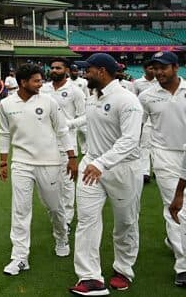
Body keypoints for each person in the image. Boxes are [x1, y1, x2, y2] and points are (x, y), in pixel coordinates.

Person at [68, 53, 143, 295]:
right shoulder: (93, 97)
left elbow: (131, 140)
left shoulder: (127, 100)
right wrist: (68, 124)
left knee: (126, 222)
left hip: (122, 169)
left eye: (87, 70)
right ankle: (90, 278)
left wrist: (103, 162)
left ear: (101, 71)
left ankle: (123, 269)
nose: (83, 74)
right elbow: (90, 122)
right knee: (87, 220)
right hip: (92, 166)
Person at [0, 64, 77, 276]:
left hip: (49, 162)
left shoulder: (48, 102)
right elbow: (4, 133)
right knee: (20, 210)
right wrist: (3, 162)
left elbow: (62, 130)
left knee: (54, 207)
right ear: (23, 83)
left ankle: (61, 237)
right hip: (21, 163)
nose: (40, 84)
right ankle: (20, 257)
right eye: (36, 80)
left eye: (41, 80)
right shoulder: (6, 104)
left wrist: (72, 157)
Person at [138, 51, 186, 287]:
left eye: (163, 68)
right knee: (176, 209)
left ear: (176, 68)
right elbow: (137, 123)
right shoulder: (147, 96)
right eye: (155, 68)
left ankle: (176, 240)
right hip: (165, 156)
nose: (158, 73)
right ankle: (183, 266)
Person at [40, 57, 86, 233]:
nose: (54, 70)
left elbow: (85, 116)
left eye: (58, 68)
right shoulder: (43, 89)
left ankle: (67, 218)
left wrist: (68, 124)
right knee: (51, 181)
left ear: (66, 70)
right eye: (52, 67)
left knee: (67, 182)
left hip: (67, 143)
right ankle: (56, 213)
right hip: (45, 142)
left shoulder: (75, 91)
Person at [134, 60, 157, 184]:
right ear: (144, 69)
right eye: (150, 68)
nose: (152, 71)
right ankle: (145, 172)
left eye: (154, 68)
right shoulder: (138, 83)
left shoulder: (158, 82)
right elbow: (134, 99)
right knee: (144, 145)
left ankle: (158, 170)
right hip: (145, 118)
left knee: (157, 146)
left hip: (157, 118)